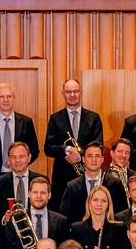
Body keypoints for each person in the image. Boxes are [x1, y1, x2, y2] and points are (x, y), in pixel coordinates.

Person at [44, 78, 103, 206]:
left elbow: (98, 146)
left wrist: (80, 156)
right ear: (63, 94)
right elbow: (48, 148)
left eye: (75, 91)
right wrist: (66, 149)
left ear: (80, 92)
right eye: (68, 92)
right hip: (62, 177)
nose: (72, 95)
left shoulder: (94, 118)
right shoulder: (55, 118)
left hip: (87, 174)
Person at [0, 82, 39, 182]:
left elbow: (34, 150)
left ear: (14, 98)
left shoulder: (26, 122)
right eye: (2, 96)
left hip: (19, 176)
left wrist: (19, 165)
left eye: (9, 96)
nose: (5, 100)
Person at [0, 142, 48, 227]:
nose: (17, 160)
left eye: (21, 156)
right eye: (13, 157)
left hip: (37, 229)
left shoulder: (41, 180)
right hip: (8, 233)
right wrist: (4, 219)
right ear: (9, 160)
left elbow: (49, 209)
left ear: (29, 158)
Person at [61, 141, 126, 225]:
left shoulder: (115, 183)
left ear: (102, 159)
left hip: (108, 234)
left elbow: (121, 212)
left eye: (97, 156)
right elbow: (65, 215)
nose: (94, 160)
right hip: (80, 234)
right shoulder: (72, 186)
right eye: (90, 156)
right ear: (83, 159)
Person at [69, 182, 127, 249]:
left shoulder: (119, 228)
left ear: (108, 205)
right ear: (89, 203)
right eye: (95, 200)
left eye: (103, 201)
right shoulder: (76, 228)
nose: (99, 204)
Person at [18, 176, 69, 248]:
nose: (39, 196)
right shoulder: (18, 219)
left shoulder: (61, 221)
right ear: (29, 194)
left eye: (43, 193)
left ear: (49, 195)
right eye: (35, 192)